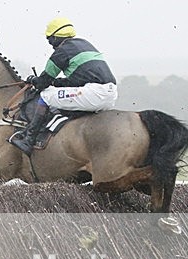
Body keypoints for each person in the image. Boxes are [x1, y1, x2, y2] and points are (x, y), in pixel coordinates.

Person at [9, 17, 118, 155]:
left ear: (55, 38)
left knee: (46, 96)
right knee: (60, 97)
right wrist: (56, 83)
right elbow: (76, 81)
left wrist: (33, 80)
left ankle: (28, 140)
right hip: (110, 93)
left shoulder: (62, 52)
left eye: (49, 39)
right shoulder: (84, 44)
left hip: (93, 93)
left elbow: (43, 83)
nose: (50, 44)